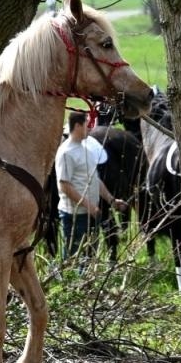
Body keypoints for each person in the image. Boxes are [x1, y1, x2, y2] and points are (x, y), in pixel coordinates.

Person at [55, 110, 125, 260]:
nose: (90, 128)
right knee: (74, 258)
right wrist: (89, 206)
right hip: (75, 215)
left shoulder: (86, 149)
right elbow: (65, 186)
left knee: (89, 257)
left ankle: (85, 282)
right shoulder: (66, 152)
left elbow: (95, 179)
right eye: (87, 125)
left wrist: (112, 200)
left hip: (90, 213)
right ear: (78, 126)